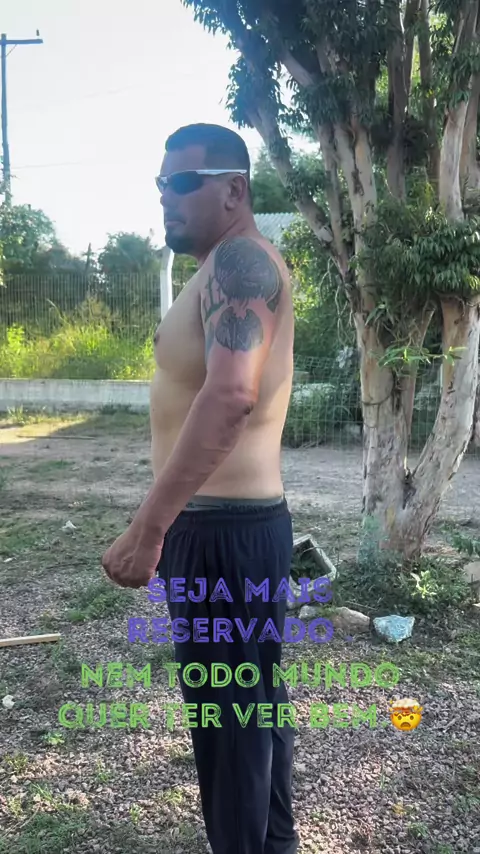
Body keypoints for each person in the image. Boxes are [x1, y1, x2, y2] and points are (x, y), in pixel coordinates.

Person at [102, 123, 298, 854]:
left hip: (221, 536)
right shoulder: (224, 265)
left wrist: (148, 527)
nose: (165, 196)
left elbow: (229, 396)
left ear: (233, 189)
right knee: (252, 708)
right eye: (161, 183)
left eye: (182, 183)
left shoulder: (240, 262)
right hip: (232, 531)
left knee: (231, 725)